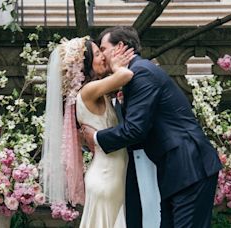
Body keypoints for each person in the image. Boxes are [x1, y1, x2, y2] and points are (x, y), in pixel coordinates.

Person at [81, 26, 223, 228]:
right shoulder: (135, 74)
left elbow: (135, 129)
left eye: (103, 49)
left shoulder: (142, 73)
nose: (102, 57)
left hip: (189, 166)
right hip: (175, 168)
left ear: (119, 47)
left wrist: (96, 138)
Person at [41, 36, 136, 228]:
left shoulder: (94, 92)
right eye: (98, 53)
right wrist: (117, 66)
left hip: (109, 173)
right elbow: (125, 76)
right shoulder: (88, 91)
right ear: (85, 63)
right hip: (107, 176)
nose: (104, 58)